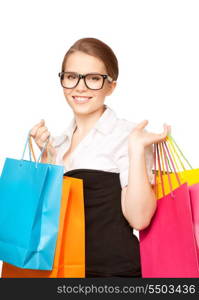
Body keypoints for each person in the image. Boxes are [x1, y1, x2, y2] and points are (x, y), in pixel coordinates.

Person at [30, 37, 171, 277]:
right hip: (63, 275)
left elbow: (139, 218)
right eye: (71, 76)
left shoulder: (129, 135)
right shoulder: (57, 143)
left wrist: (136, 149)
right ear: (62, 80)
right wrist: (46, 159)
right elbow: (47, 223)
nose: (80, 87)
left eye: (94, 79)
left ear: (111, 86)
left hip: (113, 276)